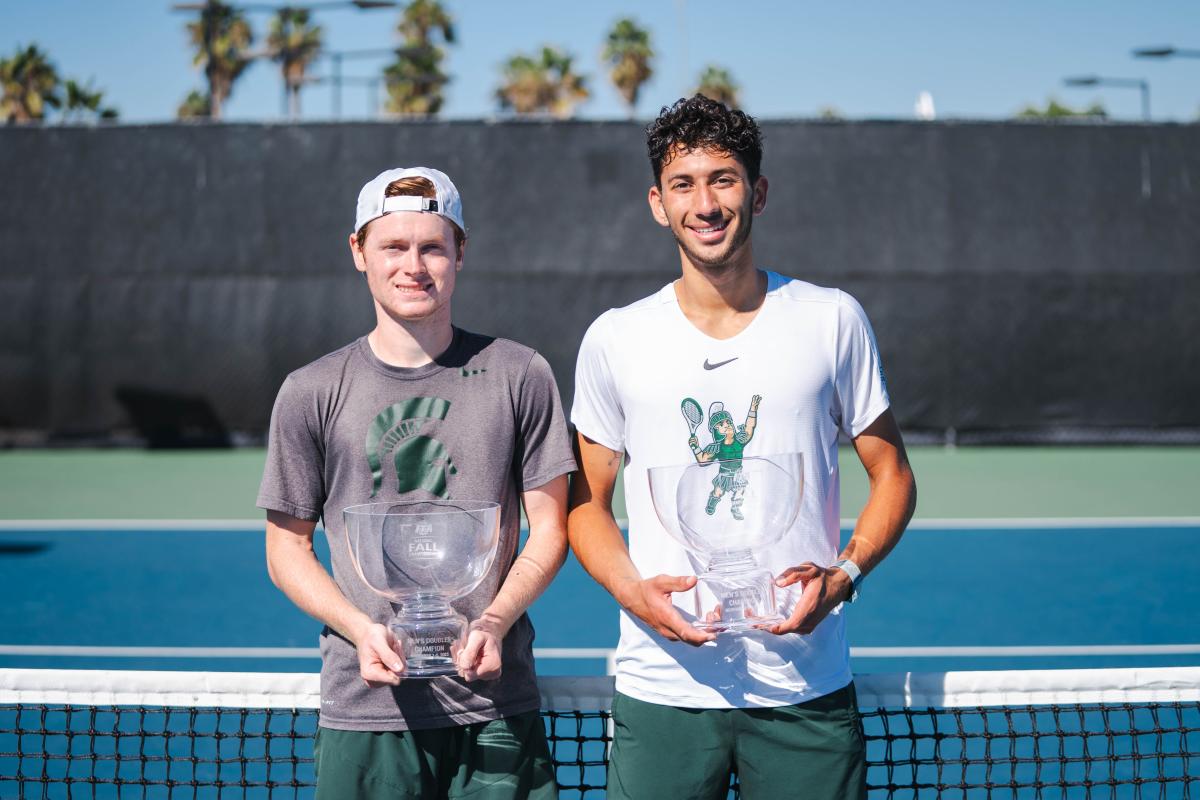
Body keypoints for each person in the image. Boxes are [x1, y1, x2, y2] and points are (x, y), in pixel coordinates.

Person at [567, 95, 917, 799]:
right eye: (684, 184)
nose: (706, 203)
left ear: (757, 191)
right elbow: (583, 504)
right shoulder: (615, 338)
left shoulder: (832, 319)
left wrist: (843, 575)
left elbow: (894, 476)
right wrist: (634, 592)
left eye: (724, 179)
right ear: (658, 204)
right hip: (662, 689)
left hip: (804, 690)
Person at [259, 166, 575, 799]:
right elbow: (285, 549)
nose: (414, 265)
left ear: (460, 251)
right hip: (367, 709)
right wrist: (359, 627)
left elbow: (550, 529)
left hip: (496, 706)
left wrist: (494, 621)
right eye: (393, 247)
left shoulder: (521, 374)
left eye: (432, 246)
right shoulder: (310, 390)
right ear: (359, 252)